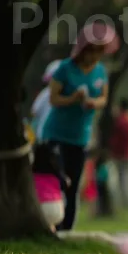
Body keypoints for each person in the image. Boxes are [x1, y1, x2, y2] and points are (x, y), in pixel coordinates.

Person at [41, 22, 119, 230]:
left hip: (80, 136)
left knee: (73, 184)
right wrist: (72, 99)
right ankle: (48, 223)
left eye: (99, 51)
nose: (94, 56)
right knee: (55, 180)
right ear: (83, 49)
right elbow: (53, 99)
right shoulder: (65, 68)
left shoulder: (101, 71)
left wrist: (94, 103)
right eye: (91, 50)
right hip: (57, 133)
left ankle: (66, 228)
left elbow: (104, 99)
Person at [109, 97, 128, 208]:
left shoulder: (120, 121)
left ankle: (122, 203)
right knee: (127, 179)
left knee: (120, 180)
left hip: (120, 154)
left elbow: (116, 139)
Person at [32, 143, 70, 231]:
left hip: (40, 208)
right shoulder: (57, 174)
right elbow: (66, 183)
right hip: (57, 209)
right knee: (51, 225)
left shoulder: (32, 175)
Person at [30, 60, 61, 142]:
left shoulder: (46, 92)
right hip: (52, 136)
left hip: (45, 136)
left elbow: (34, 111)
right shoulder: (47, 93)